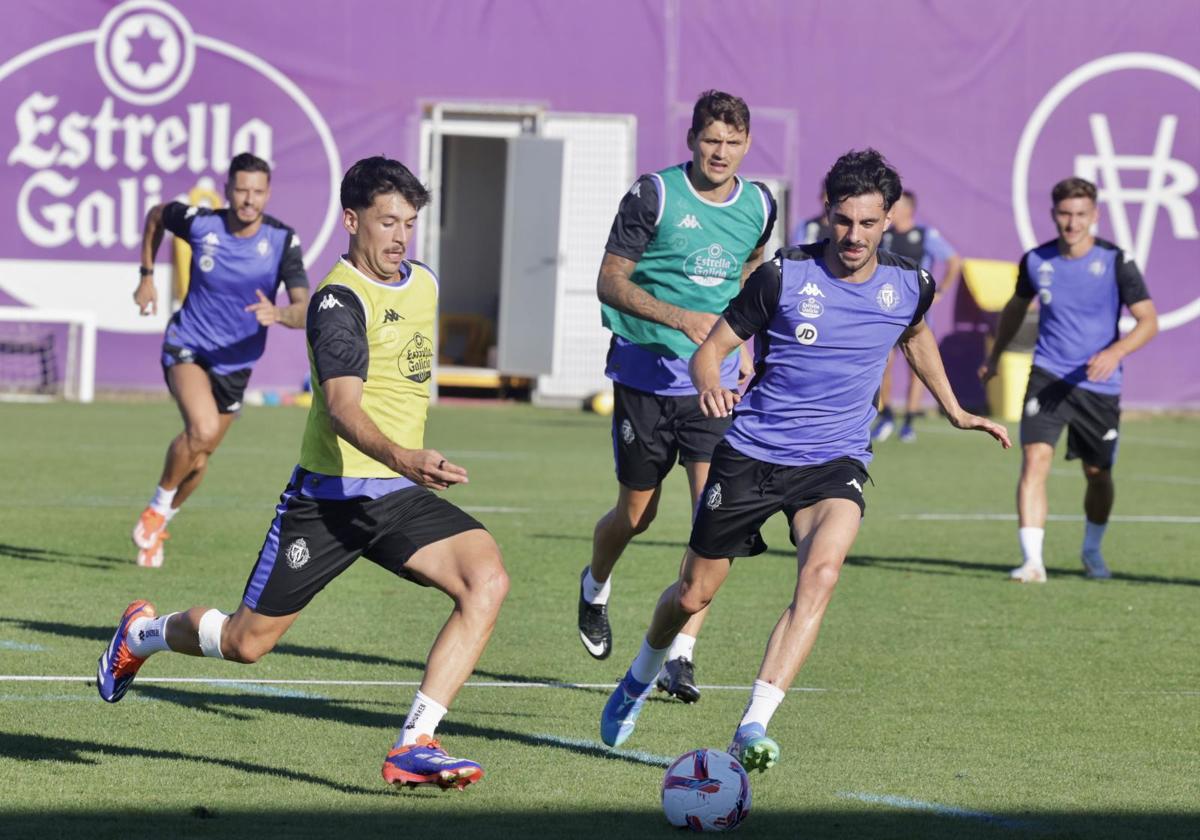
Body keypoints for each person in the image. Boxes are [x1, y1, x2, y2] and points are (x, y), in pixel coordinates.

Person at [99, 156, 510, 791]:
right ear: (352, 220)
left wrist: (404, 468)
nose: (400, 237)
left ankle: (416, 742)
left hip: (398, 496)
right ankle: (143, 633)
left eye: (409, 222)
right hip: (331, 502)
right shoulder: (338, 301)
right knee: (245, 643)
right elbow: (344, 409)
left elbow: (357, 349)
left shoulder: (422, 283)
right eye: (387, 222)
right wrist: (406, 457)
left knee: (487, 579)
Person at [598, 149, 1010, 771]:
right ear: (827, 214)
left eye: (869, 224)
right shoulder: (783, 278)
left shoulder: (909, 284)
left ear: (890, 221)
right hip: (753, 453)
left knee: (821, 573)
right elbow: (711, 349)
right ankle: (638, 677)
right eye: (844, 221)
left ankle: (753, 724)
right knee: (692, 594)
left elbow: (916, 330)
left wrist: (952, 408)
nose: (854, 235)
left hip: (834, 462)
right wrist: (710, 380)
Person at [582, 90, 777, 704]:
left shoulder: (760, 204)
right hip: (643, 377)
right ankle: (595, 585)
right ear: (692, 140)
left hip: (710, 387)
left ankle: (681, 655)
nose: (721, 152)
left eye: (733, 143)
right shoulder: (655, 194)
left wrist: (738, 340)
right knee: (637, 515)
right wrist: (680, 316)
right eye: (711, 140)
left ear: (746, 146)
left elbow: (752, 270)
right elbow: (608, 281)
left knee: (711, 520)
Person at [131, 152, 309, 567]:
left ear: (268, 194)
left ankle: (162, 523)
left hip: (237, 363)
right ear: (227, 190)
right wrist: (145, 276)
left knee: (202, 455)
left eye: (258, 192)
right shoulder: (201, 223)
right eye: (241, 190)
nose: (249, 199)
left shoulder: (282, 240)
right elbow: (157, 216)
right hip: (188, 344)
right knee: (203, 427)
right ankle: (156, 506)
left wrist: (280, 313)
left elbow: (304, 307)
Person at [980, 176, 1157, 583]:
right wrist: (995, 356)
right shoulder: (1036, 261)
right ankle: (1032, 561)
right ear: (1053, 214)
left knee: (1098, 474)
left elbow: (1148, 321)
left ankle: (1092, 550)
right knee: (1035, 460)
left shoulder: (1116, 261)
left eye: (1080, 215)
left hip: (1099, 385)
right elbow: (1014, 309)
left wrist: (1115, 352)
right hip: (1048, 376)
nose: (1072, 223)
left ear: (1094, 216)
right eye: (1064, 214)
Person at [872, 190, 962, 443]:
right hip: (886, 309)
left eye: (897, 207)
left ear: (909, 209)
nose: (892, 211)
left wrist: (941, 290)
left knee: (917, 368)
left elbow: (954, 261)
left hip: (916, 312)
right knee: (882, 365)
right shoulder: (883, 235)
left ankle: (909, 420)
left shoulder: (924, 235)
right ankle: (886, 413)